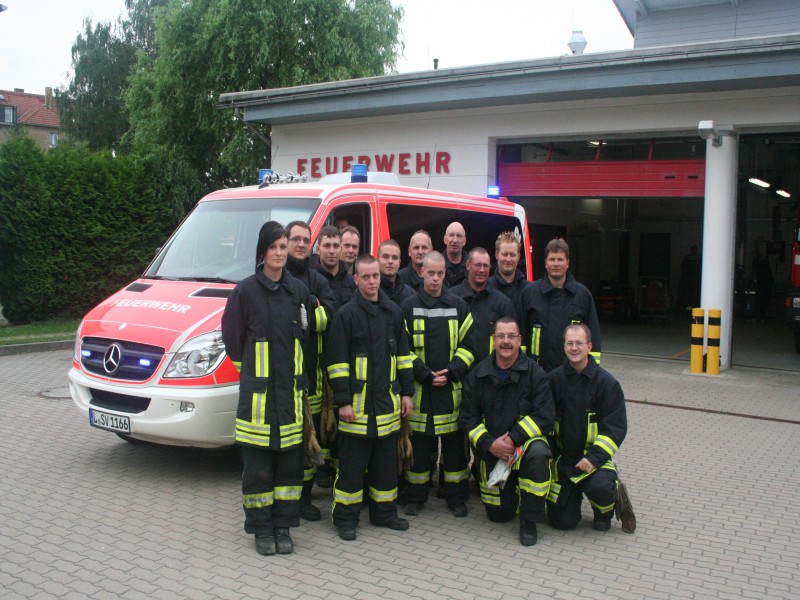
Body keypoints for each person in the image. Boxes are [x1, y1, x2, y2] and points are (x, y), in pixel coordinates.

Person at [221, 221, 310, 556]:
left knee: (289, 470)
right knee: (257, 471)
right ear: (263, 251)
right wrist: (255, 377)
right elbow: (233, 342)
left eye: (283, 246)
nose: (278, 252)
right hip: (257, 403)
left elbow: (303, 338)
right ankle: (261, 529)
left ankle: (283, 526)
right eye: (273, 247)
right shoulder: (245, 291)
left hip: (289, 398)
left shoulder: (298, 292)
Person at [326, 255, 415, 541]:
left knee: (385, 468)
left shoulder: (394, 313)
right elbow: (336, 362)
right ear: (356, 279)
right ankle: (346, 519)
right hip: (357, 409)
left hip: (387, 406)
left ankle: (384, 514)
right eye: (365, 277)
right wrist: (343, 402)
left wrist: (407, 393)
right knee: (351, 470)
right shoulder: (346, 315)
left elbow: (403, 357)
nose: (372, 281)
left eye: (375, 276)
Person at [460, 317, 555, 546]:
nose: (506, 342)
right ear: (493, 340)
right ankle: (509, 496)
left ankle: (529, 521)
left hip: (525, 447)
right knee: (498, 516)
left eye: (511, 336)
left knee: (539, 455)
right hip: (493, 449)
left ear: (520, 340)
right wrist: (489, 443)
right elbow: (467, 417)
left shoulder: (535, 373)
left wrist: (513, 438)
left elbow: (545, 415)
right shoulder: (478, 374)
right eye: (501, 336)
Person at [400, 251, 478, 518]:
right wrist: (424, 374)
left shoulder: (459, 305)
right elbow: (402, 349)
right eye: (430, 273)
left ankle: (456, 498)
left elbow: (470, 346)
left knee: (455, 454)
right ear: (421, 272)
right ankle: (415, 498)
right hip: (421, 394)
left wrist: (452, 370)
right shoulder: (408, 306)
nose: (434, 278)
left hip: (451, 392)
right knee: (420, 453)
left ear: (445, 273)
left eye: (439, 273)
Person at [546, 324, 627, 532]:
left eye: (579, 343)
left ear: (589, 346)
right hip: (564, 461)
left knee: (600, 487)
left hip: (593, 461)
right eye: (569, 343)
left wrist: (594, 458)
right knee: (562, 523)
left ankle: (605, 509)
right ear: (564, 347)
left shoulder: (607, 384)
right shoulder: (554, 380)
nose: (574, 348)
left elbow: (615, 429)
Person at [285, 220, 336, 521]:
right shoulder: (276, 275)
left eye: (306, 239)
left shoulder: (318, 280)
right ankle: (286, 501)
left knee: (308, 438)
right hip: (283, 376)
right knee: (288, 443)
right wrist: (308, 306)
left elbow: (326, 318)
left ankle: (303, 500)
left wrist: (304, 309)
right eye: (296, 239)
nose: (301, 244)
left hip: (313, 376)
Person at [522, 238, 601, 372]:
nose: (556, 264)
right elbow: (521, 337)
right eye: (552, 259)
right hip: (536, 374)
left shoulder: (582, 295)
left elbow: (593, 337)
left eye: (560, 259)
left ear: (568, 263)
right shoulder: (530, 293)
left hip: (572, 375)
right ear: (545, 263)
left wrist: (591, 373)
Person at [449, 247, 515, 363]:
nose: (482, 270)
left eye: (486, 266)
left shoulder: (503, 303)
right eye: (478, 265)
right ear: (468, 265)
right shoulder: (451, 298)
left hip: (490, 375)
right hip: (457, 374)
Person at [488, 231, 532, 328]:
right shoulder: (487, 288)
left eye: (512, 255)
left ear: (518, 256)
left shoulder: (529, 290)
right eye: (504, 254)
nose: (508, 259)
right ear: (496, 255)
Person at [316, 225, 356, 311]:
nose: (332, 251)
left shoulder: (350, 282)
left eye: (336, 246)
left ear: (341, 249)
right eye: (327, 246)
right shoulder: (311, 280)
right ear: (318, 250)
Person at [379, 238, 416, 306]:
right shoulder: (370, 292)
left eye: (394, 258)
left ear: (399, 263)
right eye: (385, 257)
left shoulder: (411, 294)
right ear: (377, 261)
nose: (390, 261)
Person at [751, 247, 774, 322]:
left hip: (762, 283)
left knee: (758, 301)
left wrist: (753, 282)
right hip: (768, 284)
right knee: (765, 301)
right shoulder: (764, 261)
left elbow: (755, 273)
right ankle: (762, 317)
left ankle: (756, 317)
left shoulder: (757, 262)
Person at [443, 222, 468, 287]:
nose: (455, 240)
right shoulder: (436, 265)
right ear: (445, 239)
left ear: (464, 241)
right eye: (451, 235)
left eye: (459, 236)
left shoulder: (472, 266)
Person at [678, 244, 702, 314]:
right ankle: (696, 313)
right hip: (697, 282)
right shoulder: (700, 258)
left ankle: (688, 313)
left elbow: (681, 268)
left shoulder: (687, 257)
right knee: (696, 299)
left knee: (688, 300)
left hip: (687, 282)